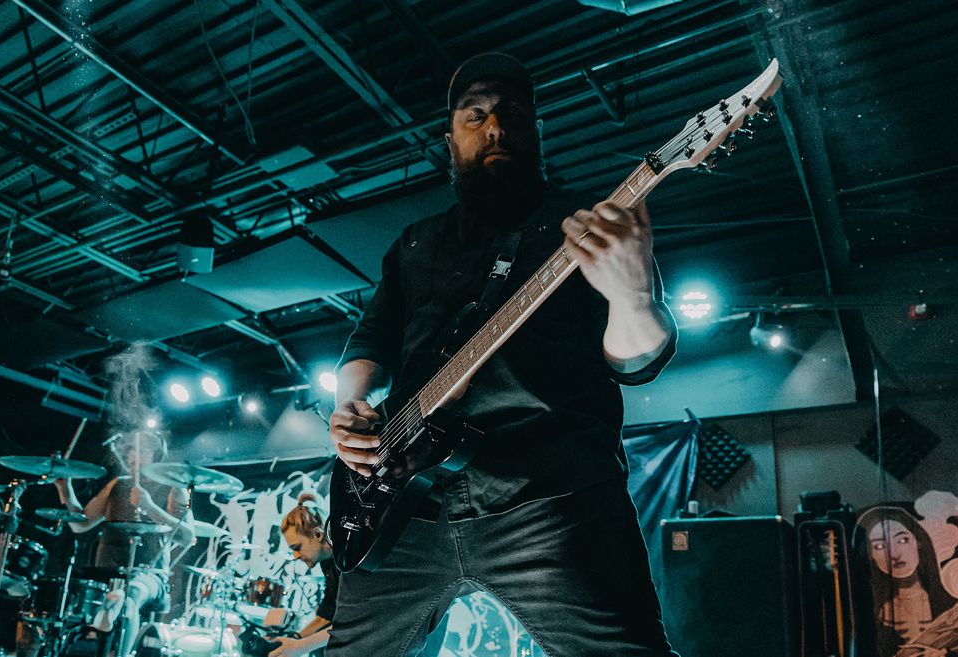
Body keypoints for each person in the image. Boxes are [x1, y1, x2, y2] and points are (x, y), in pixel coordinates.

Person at [327, 52, 679, 656]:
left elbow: (634, 363)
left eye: (513, 113)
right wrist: (350, 408)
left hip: (551, 500)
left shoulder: (589, 227)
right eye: (476, 115)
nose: (495, 127)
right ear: (449, 138)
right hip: (404, 506)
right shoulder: (414, 244)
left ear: (536, 130)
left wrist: (633, 297)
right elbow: (369, 342)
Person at [54, 429, 194, 657]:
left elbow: (187, 536)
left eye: (141, 450)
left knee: (131, 595)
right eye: (129, 450)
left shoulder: (173, 486)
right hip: (107, 572)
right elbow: (80, 524)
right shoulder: (117, 484)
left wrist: (150, 508)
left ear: (156, 455)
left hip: (151, 574)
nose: (132, 455)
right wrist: (65, 490)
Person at [856, 506, 958, 655]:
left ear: (919, 542)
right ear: (870, 557)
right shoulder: (869, 616)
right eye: (879, 546)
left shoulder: (952, 608)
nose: (894, 553)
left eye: (903, 540)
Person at [267, 492, 338, 657]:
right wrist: (295, 638)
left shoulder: (347, 560)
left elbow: (352, 622)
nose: (295, 556)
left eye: (297, 547)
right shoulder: (327, 562)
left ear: (318, 534)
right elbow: (326, 616)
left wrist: (300, 647)